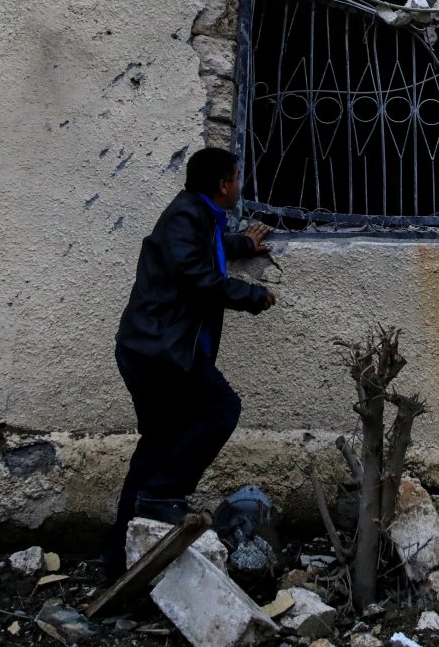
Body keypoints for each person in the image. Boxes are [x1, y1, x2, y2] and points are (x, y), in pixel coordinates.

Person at [103, 146, 276, 571]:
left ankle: (118, 556)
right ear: (223, 184)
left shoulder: (197, 215)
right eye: (236, 177)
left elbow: (204, 249)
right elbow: (195, 274)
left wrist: (242, 243)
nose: (239, 184)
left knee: (157, 445)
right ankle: (163, 495)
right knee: (221, 408)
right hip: (158, 353)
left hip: (154, 349)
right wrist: (252, 295)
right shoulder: (186, 215)